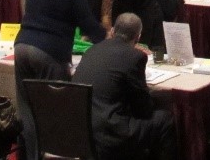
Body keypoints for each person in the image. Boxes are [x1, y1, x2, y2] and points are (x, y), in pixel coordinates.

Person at [14, 0, 106, 160]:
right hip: (48, 52)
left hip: (22, 45)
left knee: (28, 111)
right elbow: (88, 25)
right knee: (54, 113)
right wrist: (109, 41)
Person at [72, 13, 177, 160]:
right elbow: (144, 110)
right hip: (109, 136)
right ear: (138, 37)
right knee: (164, 119)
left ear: (112, 31)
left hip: (81, 133)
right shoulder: (135, 57)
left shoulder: (91, 51)